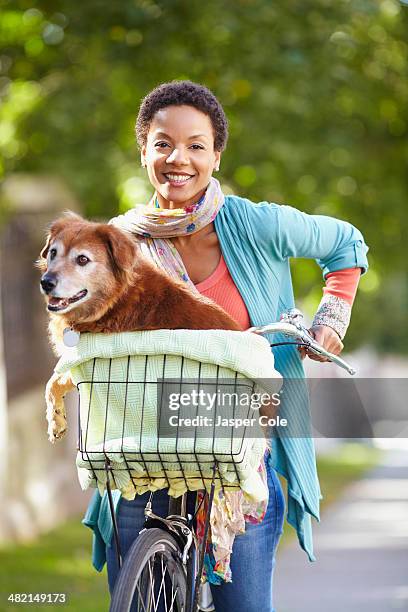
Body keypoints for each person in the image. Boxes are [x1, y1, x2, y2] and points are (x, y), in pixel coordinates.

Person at [83, 80, 368, 611]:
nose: (179, 159)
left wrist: (331, 318)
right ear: (144, 149)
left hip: (241, 458)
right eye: (163, 143)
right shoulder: (117, 243)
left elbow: (345, 244)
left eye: (196, 145)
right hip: (146, 452)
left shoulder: (253, 224)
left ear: (216, 154)